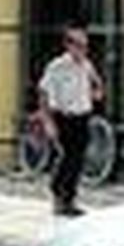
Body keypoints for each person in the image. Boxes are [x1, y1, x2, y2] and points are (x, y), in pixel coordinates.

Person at [37, 22, 105, 218]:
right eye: (79, 44)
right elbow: (43, 93)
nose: (83, 49)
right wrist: (48, 122)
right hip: (63, 117)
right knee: (68, 156)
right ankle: (58, 191)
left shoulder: (87, 65)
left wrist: (97, 91)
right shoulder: (57, 66)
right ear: (68, 45)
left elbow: (97, 83)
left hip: (82, 116)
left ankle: (69, 200)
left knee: (78, 159)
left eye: (86, 45)